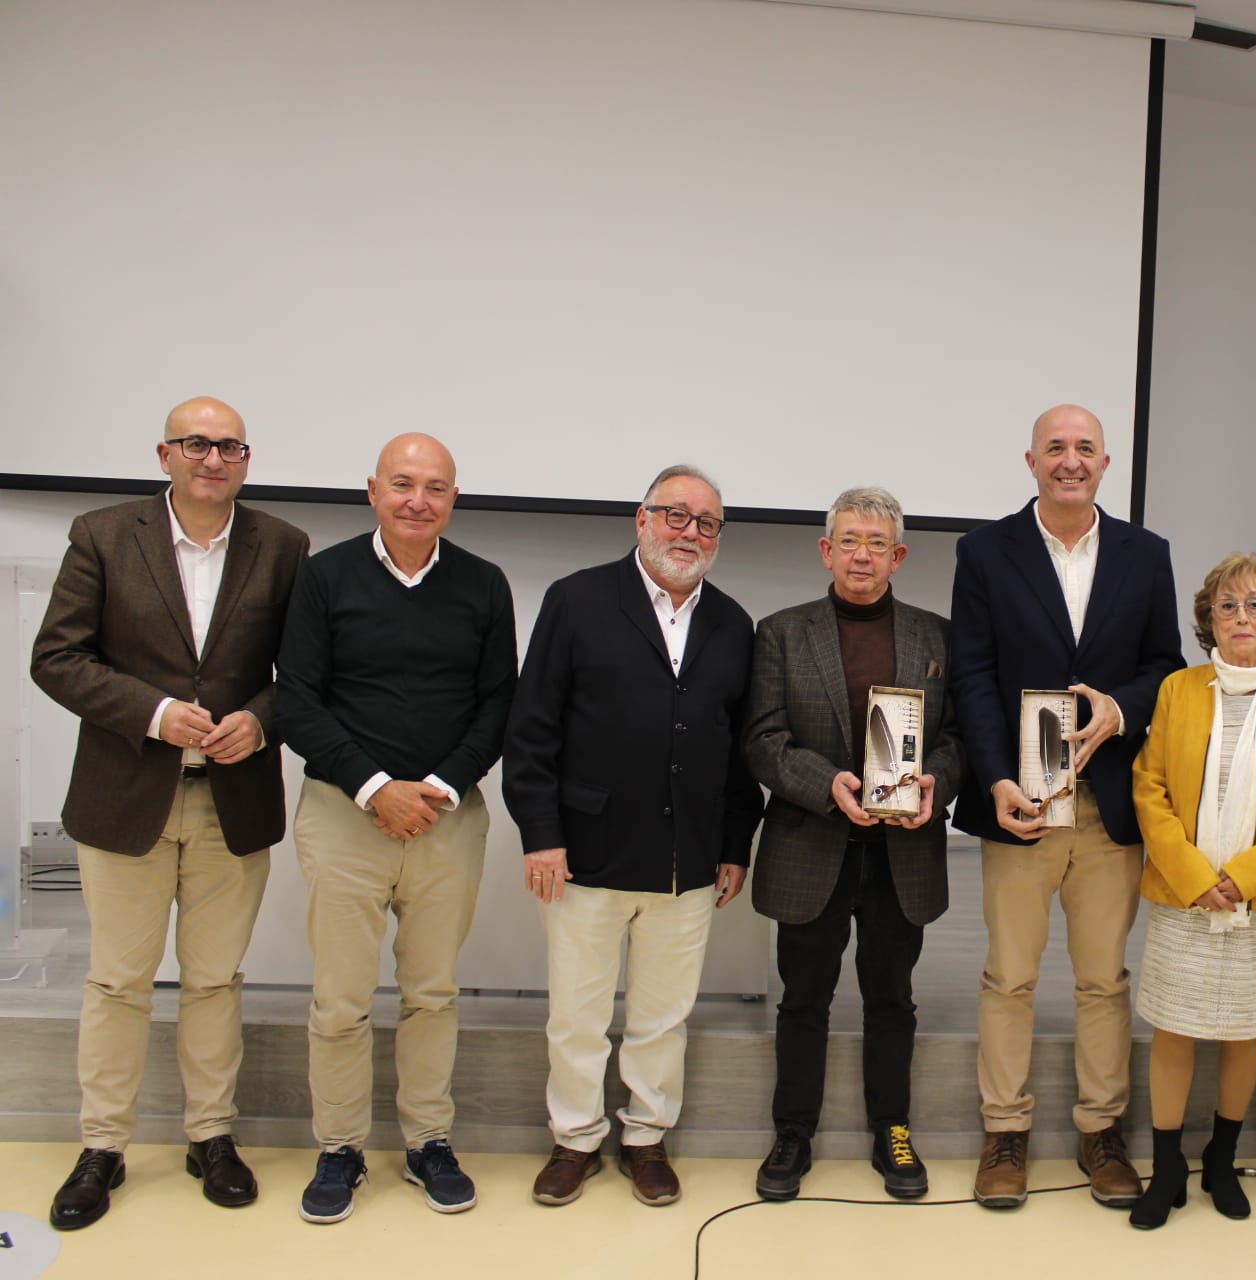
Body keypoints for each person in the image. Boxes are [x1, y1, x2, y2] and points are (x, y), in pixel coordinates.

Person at [31, 397, 308, 1230]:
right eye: (197, 443)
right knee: (117, 981)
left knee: (216, 980)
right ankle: (103, 1146)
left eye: (229, 446)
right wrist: (153, 713)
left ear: (246, 459)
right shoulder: (104, 535)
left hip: (234, 801)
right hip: (126, 797)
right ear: (165, 453)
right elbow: (58, 657)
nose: (213, 458)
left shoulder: (283, 546)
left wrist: (260, 719)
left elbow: (304, 673)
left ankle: (210, 1136)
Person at [504, 464, 763, 1212]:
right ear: (641, 520)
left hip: (689, 858)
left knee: (661, 1016)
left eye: (706, 522)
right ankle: (575, 1139)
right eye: (675, 515)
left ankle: (645, 1137)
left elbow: (740, 749)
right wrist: (542, 835)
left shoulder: (732, 623)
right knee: (577, 1013)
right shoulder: (578, 600)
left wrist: (733, 844)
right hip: (584, 853)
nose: (690, 532)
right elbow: (531, 730)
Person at [276, 433, 517, 1224]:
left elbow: (497, 704)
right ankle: (339, 1147)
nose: (420, 500)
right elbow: (298, 700)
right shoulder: (324, 576)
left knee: (432, 993)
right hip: (346, 814)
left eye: (437, 487)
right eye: (404, 484)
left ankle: (427, 1142)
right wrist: (377, 788)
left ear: (454, 499)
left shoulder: (484, 585)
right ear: (372, 490)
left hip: (447, 819)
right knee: (340, 997)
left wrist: (440, 787)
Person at [950, 403, 1185, 1210]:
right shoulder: (984, 552)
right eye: (1056, 448)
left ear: (1106, 463)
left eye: (1085, 448)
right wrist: (993, 778)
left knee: (1102, 982)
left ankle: (1101, 1132)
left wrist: (1122, 708)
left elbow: (1166, 665)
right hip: (1022, 803)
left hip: (1110, 805)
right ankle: (1004, 1133)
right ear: (1031, 461)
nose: (1071, 460)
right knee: (1009, 977)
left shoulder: (1145, 554)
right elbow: (972, 674)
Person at [742, 486, 966, 1201]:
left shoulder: (937, 637)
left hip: (901, 852)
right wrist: (828, 784)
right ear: (826, 550)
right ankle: (792, 1133)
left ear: (897, 555)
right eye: (849, 541)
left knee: (891, 999)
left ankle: (891, 1130)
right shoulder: (781, 632)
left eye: (876, 543)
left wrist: (934, 780)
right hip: (812, 842)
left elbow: (960, 739)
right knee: (803, 999)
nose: (861, 555)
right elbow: (764, 739)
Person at [1126, 553, 1256, 1229]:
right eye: (1226, 605)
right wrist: (1196, 878)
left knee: (1245, 1032)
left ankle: (1221, 1159)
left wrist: (1245, 877)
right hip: (1184, 893)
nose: (1240, 617)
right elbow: (1149, 787)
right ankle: (1165, 1169)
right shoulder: (1177, 690)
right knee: (1175, 1028)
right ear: (1207, 620)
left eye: (1255, 605)